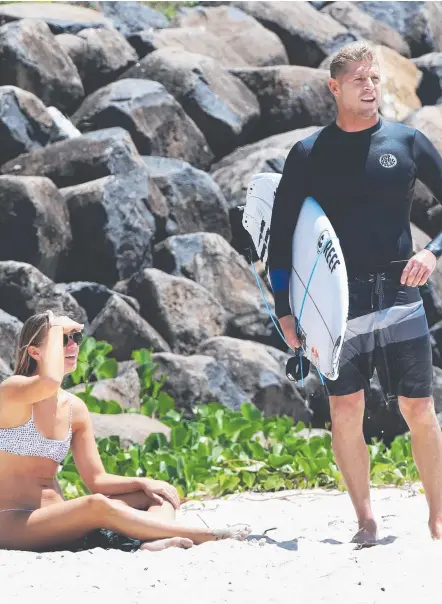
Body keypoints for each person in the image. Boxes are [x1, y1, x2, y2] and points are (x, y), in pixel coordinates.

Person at [268, 40, 442, 544]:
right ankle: (366, 519)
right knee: (347, 408)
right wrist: (284, 308)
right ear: (335, 88)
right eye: (360, 79)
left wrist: (431, 253)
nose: (371, 86)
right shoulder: (308, 155)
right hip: (335, 303)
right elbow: (281, 238)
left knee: (418, 408)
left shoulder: (406, 143)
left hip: (399, 293)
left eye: (375, 78)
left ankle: (437, 515)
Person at [0, 310, 251, 553]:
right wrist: (55, 324)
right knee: (95, 505)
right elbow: (48, 382)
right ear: (34, 352)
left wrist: (144, 482)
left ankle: (150, 544)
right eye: (62, 340)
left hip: (65, 519)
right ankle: (205, 535)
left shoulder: (75, 408)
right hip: (15, 523)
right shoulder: (12, 391)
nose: (73, 346)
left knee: (156, 496)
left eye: (74, 339)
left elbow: (97, 480)